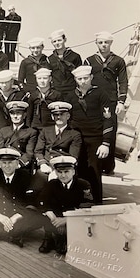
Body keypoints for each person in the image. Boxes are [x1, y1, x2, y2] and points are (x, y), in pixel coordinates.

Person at [64, 65, 113, 203]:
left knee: (94, 171)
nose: (83, 81)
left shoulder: (101, 94)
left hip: (96, 139)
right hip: (77, 140)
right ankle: (78, 201)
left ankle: (96, 202)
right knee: (77, 169)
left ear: (91, 77)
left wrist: (106, 143)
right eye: (80, 79)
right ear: (75, 79)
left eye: (86, 78)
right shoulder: (70, 96)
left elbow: (108, 119)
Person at [84, 31, 128, 174]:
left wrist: (121, 101)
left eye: (106, 42)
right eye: (100, 42)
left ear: (111, 43)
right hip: (94, 100)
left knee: (110, 130)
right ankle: (94, 163)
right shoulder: (89, 60)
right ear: (96, 44)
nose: (103, 45)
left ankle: (108, 166)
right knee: (95, 129)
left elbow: (123, 81)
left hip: (111, 101)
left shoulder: (118, 61)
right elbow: (83, 80)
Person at [37, 156, 94, 254]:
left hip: (74, 218)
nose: (63, 175)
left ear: (73, 172)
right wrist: (53, 218)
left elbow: (87, 206)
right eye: (59, 172)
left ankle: (64, 240)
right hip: (55, 218)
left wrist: (66, 220)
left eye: (66, 171)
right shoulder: (52, 184)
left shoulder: (83, 185)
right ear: (55, 172)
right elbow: (42, 201)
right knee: (46, 213)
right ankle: (48, 239)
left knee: (63, 248)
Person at [34, 101, 83, 178]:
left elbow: (73, 157)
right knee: (35, 186)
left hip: (64, 167)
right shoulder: (45, 131)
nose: (59, 117)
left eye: (62, 114)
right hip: (47, 165)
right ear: (52, 117)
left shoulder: (74, 134)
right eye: (56, 115)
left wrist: (58, 169)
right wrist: (42, 163)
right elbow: (38, 151)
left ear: (68, 116)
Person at [0, 101, 38, 171]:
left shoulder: (31, 132)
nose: (15, 116)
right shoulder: (3, 130)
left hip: (20, 165)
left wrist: (19, 164)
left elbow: (29, 153)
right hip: (4, 163)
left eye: (18, 113)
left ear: (25, 115)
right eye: (12, 113)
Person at [47, 29, 82, 96]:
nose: (57, 43)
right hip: (56, 91)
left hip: (72, 90)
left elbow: (79, 75)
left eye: (59, 40)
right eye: (54, 41)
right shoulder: (50, 59)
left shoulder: (75, 56)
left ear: (65, 40)